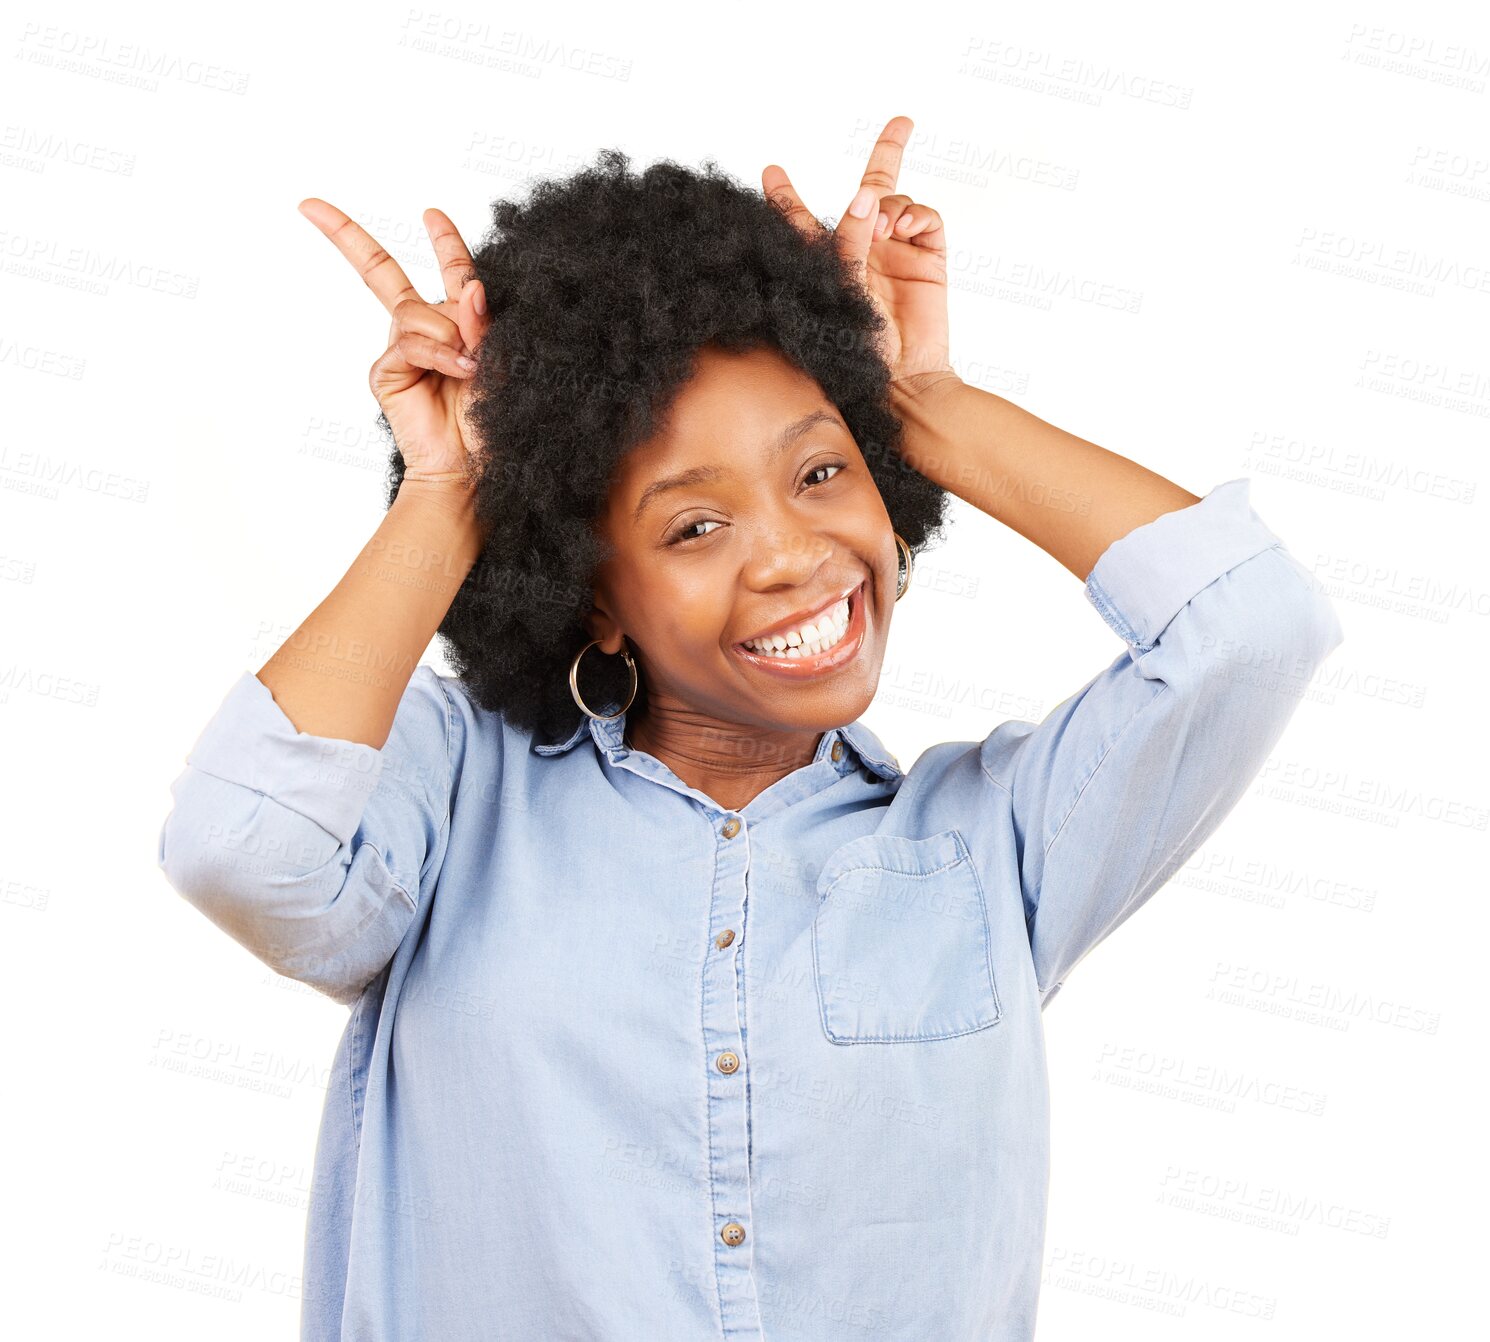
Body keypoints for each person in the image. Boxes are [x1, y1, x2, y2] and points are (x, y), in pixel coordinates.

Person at [157, 116, 1343, 1341]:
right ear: (594, 596)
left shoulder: (997, 848)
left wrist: (914, 398)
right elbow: (242, 850)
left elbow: (1250, 624)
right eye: (691, 526)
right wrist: (453, 494)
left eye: (822, 471)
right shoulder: (456, 796)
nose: (790, 556)